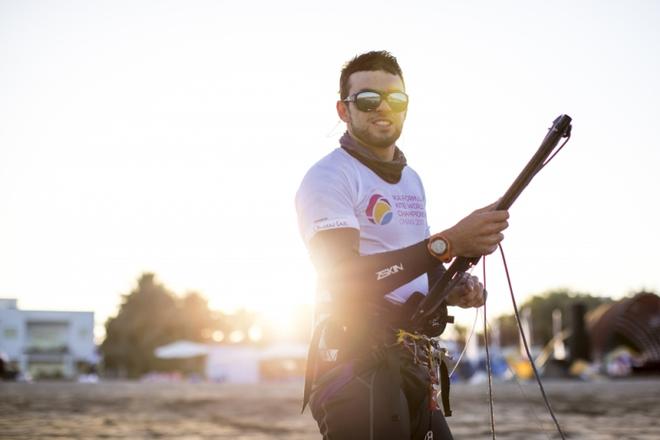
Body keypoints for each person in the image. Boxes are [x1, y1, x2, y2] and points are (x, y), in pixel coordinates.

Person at [295, 50, 509, 439]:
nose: (383, 108)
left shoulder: (412, 180)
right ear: (344, 110)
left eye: (395, 99)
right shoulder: (329, 177)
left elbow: (422, 264)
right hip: (354, 363)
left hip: (414, 362)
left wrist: (452, 286)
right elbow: (344, 279)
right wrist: (446, 242)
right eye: (367, 99)